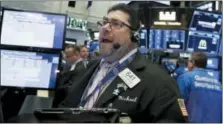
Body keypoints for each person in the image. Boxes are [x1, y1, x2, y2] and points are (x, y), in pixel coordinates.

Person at [59, 4, 187, 123]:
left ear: (135, 35)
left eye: (116, 24)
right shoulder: (87, 69)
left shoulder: (159, 81)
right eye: (104, 22)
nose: (105, 28)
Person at [177, 52, 222, 123]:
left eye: (188, 61)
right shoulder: (218, 84)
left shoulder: (185, 78)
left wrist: (185, 117)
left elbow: (180, 102)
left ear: (193, 62)